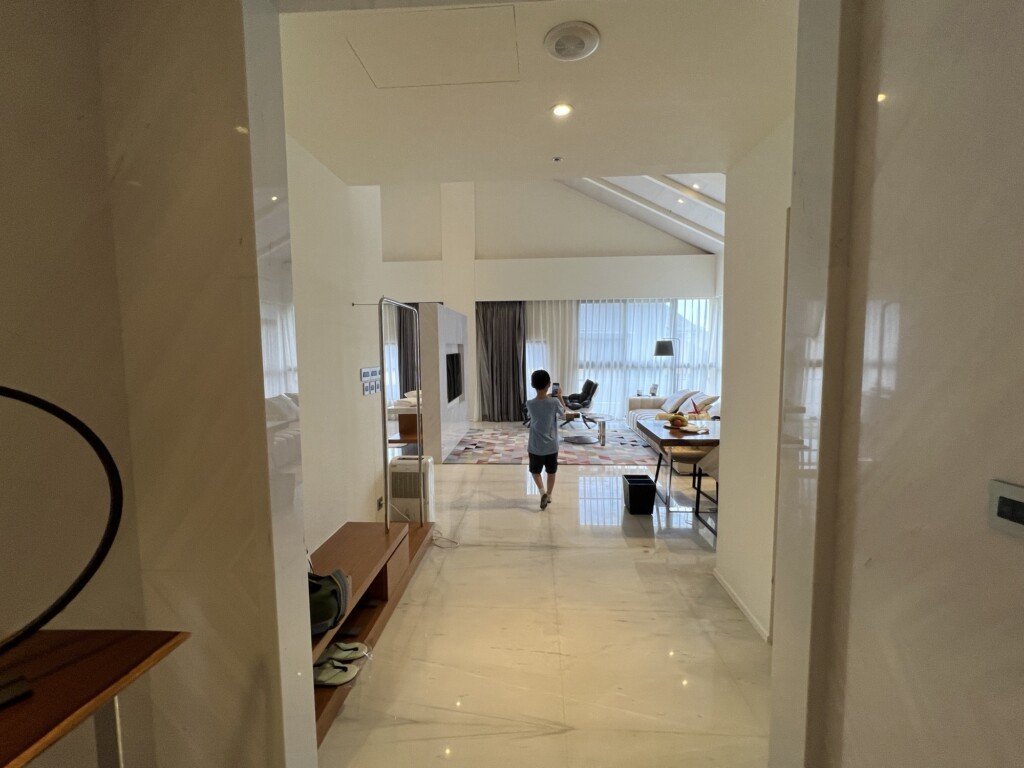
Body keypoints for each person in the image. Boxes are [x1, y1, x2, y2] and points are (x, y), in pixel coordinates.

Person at [524, 369, 566, 510]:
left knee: (535, 471)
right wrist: (559, 396)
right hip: (551, 446)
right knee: (551, 472)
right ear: (549, 384)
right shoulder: (554, 402)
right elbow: (563, 412)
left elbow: (534, 414)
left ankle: (542, 492)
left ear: (532, 385)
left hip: (535, 445)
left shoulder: (530, 403)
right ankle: (549, 495)